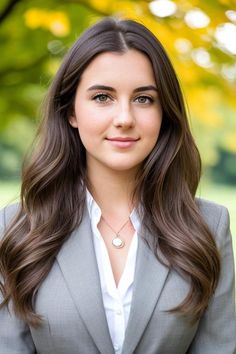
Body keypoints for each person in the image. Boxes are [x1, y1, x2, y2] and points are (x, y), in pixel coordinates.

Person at [0, 16, 235, 354]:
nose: (124, 118)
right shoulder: (17, 229)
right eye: (102, 97)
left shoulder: (209, 227)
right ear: (71, 111)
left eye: (143, 99)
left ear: (164, 112)